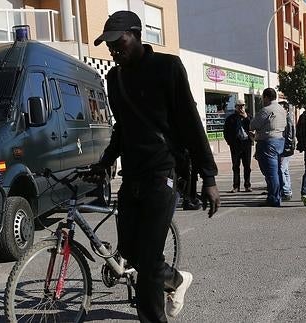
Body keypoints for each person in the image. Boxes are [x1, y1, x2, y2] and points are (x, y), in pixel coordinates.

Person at [91, 11, 220, 322]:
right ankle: (177, 279)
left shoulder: (167, 67)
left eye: (118, 42)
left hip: (162, 172)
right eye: (108, 45)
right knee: (131, 252)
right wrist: (106, 161)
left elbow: (190, 121)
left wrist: (209, 176)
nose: (113, 50)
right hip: (132, 174)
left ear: (137, 35)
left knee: (147, 264)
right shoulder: (114, 78)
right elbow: (122, 127)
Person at [250, 88, 287, 207]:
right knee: (278, 171)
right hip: (280, 141)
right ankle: (279, 194)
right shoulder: (282, 110)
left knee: (271, 172)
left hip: (268, 142)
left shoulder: (266, 110)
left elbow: (253, 124)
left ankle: (274, 198)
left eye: (263, 98)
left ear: (266, 97)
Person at [223, 99, 253, 193]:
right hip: (235, 144)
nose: (241, 108)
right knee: (236, 166)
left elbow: (253, 127)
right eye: (239, 106)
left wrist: (246, 118)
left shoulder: (248, 117)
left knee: (247, 166)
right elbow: (226, 131)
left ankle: (247, 185)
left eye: (243, 106)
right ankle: (236, 186)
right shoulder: (231, 118)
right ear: (235, 107)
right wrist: (229, 142)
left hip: (246, 143)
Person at [279, 101, 295, 201]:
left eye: (281, 108)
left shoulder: (287, 120)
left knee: (281, 168)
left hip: (286, 149)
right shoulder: (284, 119)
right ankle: (287, 190)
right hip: (285, 148)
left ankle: (286, 192)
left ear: (286, 109)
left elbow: (289, 136)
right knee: (285, 170)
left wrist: (286, 148)